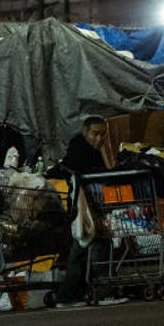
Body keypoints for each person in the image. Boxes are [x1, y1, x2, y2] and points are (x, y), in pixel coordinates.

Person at [52, 116, 127, 308]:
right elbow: (90, 173)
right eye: (95, 134)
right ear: (85, 132)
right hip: (79, 204)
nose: (99, 139)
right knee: (94, 243)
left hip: (81, 204)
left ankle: (69, 295)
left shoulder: (89, 150)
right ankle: (101, 293)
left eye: (102, 135)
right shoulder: (80, 149)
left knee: (84, 245)